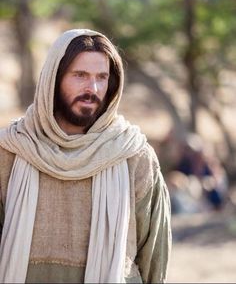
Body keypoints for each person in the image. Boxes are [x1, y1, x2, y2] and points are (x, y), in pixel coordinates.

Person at [0, 29, 172, 283]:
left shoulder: (133, 155)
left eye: (101, 77)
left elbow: (154, 257)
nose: (92, 88)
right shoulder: (12, 150)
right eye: (80, 75)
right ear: (54, 79)